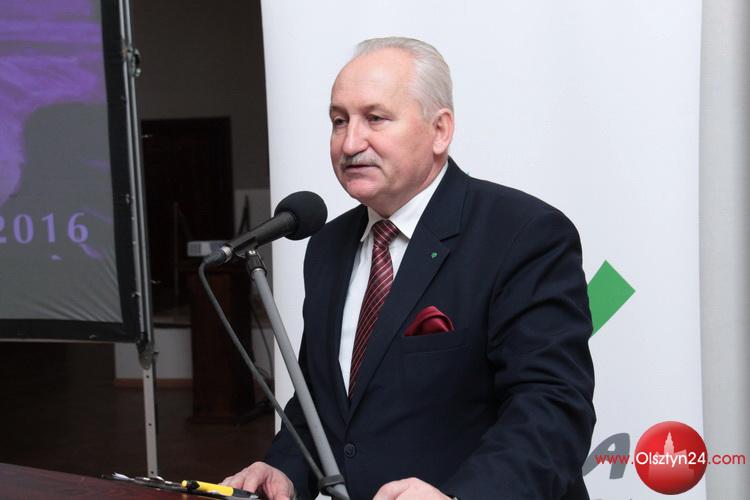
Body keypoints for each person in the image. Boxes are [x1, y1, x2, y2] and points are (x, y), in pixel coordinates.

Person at [223, 37, 595, 500]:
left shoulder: (523, 234)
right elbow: (323, 403)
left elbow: (552, 408)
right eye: (339, 121)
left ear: (440, 130)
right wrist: (284, 469)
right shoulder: (327, 246)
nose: (350, 143)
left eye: (375, 118)